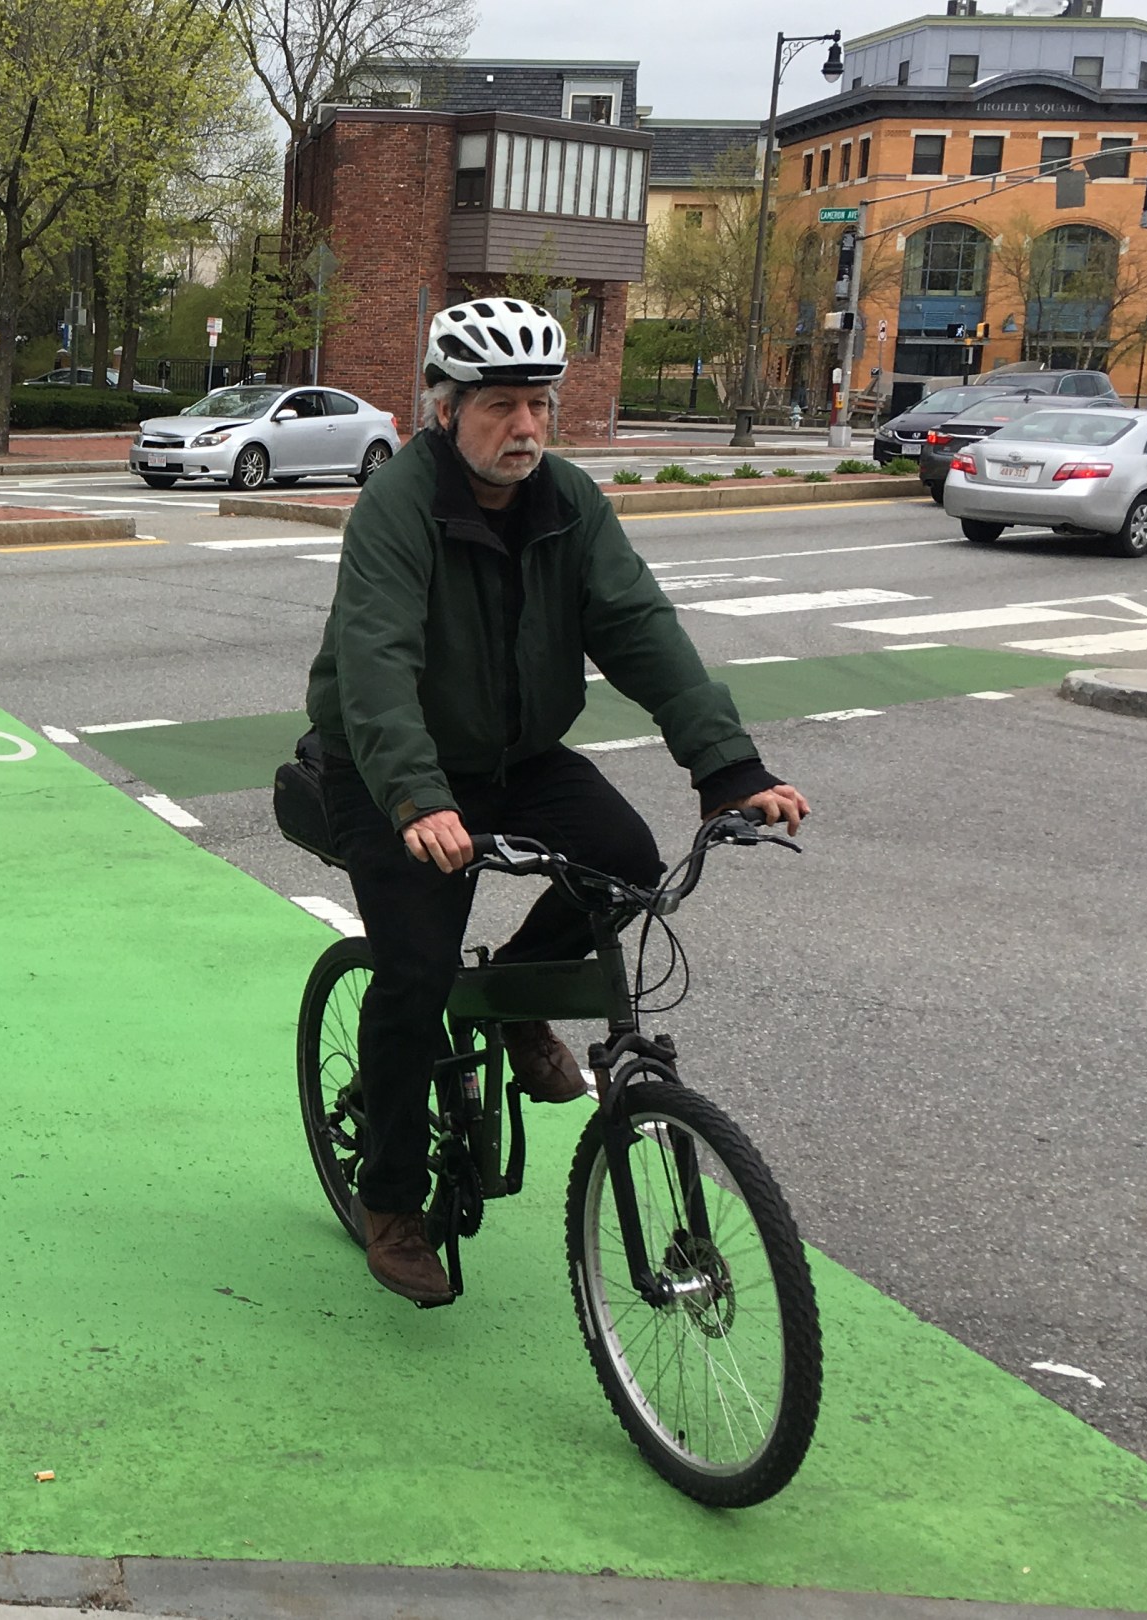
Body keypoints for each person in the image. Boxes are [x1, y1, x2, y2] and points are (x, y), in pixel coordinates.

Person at [305, 297, 812, 1307]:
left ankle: (520, 1002)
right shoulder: (397, 506)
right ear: (445, 410)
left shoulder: (570, 502)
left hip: (517, 754)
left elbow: (640, 630)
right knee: (414, 974)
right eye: (500, 406)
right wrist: (415, 797)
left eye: (538, 404)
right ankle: (393, 1201)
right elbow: (377, 664)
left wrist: (730, 771)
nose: (526, 428)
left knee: (624, 858)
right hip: (386, 765)